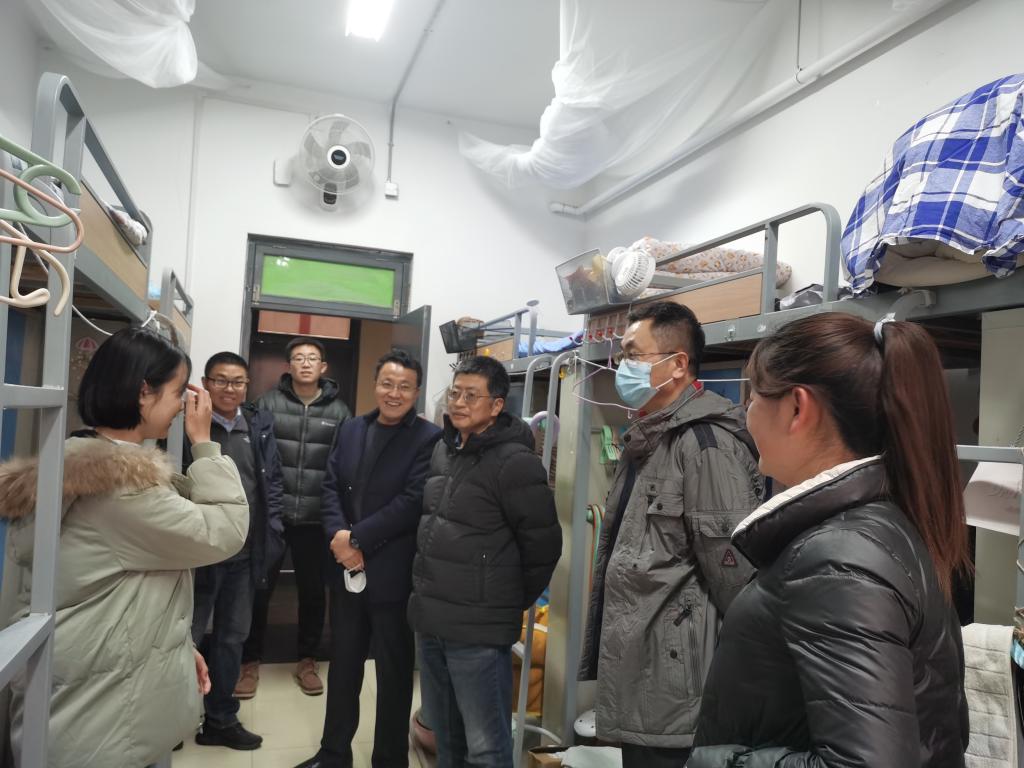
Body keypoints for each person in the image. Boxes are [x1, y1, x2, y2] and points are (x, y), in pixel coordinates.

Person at [686, 313, 971, 767]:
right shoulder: (875, 526)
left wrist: (717, 762)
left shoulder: (838, 559)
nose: (746, 414)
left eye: (753, 397)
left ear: (797, 408)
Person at [0, 327, 248, 768]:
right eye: (177, 392)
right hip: (102, 723)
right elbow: (225, 530)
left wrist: (176, 648)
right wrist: (205, 445)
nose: (182, 406)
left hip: (96, 697)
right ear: (143, 393)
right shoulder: (121, 488)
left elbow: (118, 589)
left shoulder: (79, 457)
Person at [578, 301, 762, 768]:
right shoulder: (650, 438)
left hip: (678, 687)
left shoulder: (706, 446)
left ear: (677, 364)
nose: (621, 367)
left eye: (632, 355)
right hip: (644, 672)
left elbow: (737, 583)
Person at [409, 355, 562, 768]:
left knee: (486, 746)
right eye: (455, 393)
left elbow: (544, 546)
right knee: (447, 738)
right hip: (433, 621)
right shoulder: (444, 450)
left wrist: (502, 601)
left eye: (471, 396)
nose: (459, 403)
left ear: (496, 405)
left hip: (478, 631)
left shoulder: (516, 463)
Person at [296, 350, 442, 768]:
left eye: (404, 387)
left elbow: (412, 501)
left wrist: (357, 538)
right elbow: (329, 486)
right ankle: (333, 754)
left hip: (393, 573)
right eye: (387, 384)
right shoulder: (352, 428)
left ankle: (390, 759)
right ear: (375, 385)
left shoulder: (429, 438)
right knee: (343, 666)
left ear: (416, 391)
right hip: (346, 571)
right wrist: (339, 539)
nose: (394, 393)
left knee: (394, 674)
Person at [240, 336, 352, 697]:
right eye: (299, 358)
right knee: (260, 590)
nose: (305, 363)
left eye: (312, 358)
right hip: (273, 515)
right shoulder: (267, 403)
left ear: (323, 367)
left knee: (313, 593)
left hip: (317, 519)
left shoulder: (340, 412)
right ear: (289, 366)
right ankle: (249, 660)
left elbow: (344, 467)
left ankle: (307, 659)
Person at [188, 352, 285, 751]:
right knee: (185, 635)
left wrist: (273, 530)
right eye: (221, 380)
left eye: (238, 382)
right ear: (206, 383)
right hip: (196, 552)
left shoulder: (258, 424)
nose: (230, 389)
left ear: (247, 386)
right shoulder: (189, 423)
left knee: (232, 637)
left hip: (245, 552)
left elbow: (272, 482)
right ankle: (171, 715)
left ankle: (220, 719)